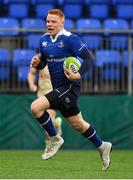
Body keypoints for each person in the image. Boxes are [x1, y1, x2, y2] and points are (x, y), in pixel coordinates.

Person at [30, 9, 112, 171]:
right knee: (78, 125)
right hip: (58, 89)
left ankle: (54, 138)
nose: (49, 24)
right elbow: (44, 63)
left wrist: (78, 75)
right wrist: (37, 64)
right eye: (47, 21)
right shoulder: (43, 40)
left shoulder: (70, 39)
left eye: (53, 21)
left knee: (35, 107)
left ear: (62, 22)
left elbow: (89, 58)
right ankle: (102, 145)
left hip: (69, 87)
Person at [28, 65, 62, 156]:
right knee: (43, 124)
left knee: (49, 120)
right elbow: (31, 73)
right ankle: (57, 124)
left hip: (53, 95)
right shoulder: (39, 58)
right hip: (41, 96)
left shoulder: (59, 59)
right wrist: (31, 84)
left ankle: (48, 148)